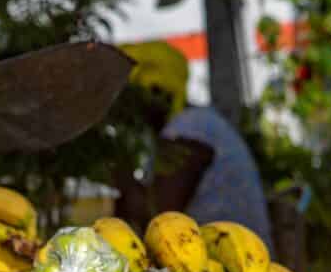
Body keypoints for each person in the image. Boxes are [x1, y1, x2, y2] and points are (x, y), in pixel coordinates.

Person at [113, 41, 273, 251]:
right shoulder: (184, 127)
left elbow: (160, 219)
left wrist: (113, 164)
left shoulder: (190, 127)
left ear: (157, 92)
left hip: (241, 265)